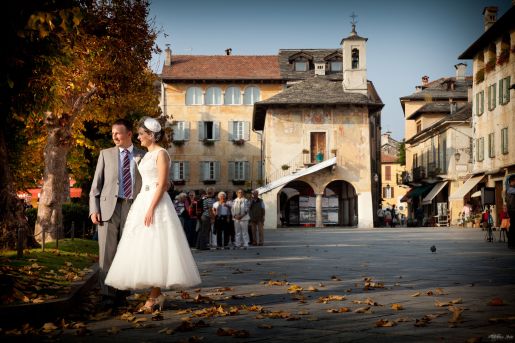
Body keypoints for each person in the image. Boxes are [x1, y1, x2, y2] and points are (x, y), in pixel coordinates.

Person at [104, 117, 201, 313]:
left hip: (156, 202)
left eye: (141, 134)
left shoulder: (161, 154)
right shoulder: (146, 155)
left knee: (158, 246)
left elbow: (163, 184)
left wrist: (150, 208)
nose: (138, 137)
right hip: (142, 199)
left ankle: (154, 296)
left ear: (150, 135)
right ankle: (155, 295)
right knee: (145, 247)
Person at [89, 118, 146, 308]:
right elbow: (95, 186)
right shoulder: (105, 154)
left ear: (129, 134)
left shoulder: (143, 154)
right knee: (106, 252)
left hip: (133, 207)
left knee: (127, 252)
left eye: (118, 133)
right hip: (107, 209)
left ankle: (123, 292)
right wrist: (93, 210)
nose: (114, 136)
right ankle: (107, 294)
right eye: (112, 133)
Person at [506, 175, 515, 248]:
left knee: (513, 227)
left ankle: (511, 243)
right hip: (513, 211)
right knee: (513, 227)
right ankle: (511, 243)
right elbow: (511, 203)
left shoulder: (510, 189)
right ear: (512, 181)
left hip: (512, 210)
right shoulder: (510, 189)